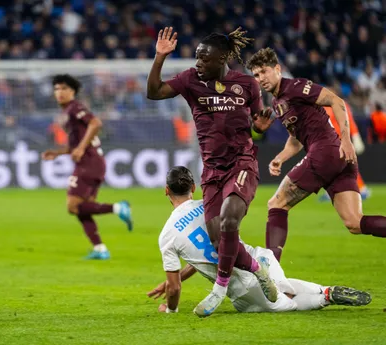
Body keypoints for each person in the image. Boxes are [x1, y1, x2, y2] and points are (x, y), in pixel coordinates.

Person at [147, 27, 278, 317]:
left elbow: (256, 126)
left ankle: (218, 290)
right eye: (197, 58)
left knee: (230, 219)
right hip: (212, 171)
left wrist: (259, 130)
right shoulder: (191, 80)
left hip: (242, 163)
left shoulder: (246, 84)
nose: (198, 64)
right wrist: (159, 57)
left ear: (222, 58)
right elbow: (154, 92)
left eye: (204, 59)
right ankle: (258, 268)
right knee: (219, 240)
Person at [147, 166, 371, 314]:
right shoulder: (209, 206)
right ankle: (325, 290)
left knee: (290, 304)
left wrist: (170, 309)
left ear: (166, 191)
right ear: (193, 188)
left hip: (242, 287)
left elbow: (174, 289)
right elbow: (215, 249)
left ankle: (325, 298)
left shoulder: (167, 235)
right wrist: (175, 280)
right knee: (284, 285)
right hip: (258, 257)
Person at [246, 48, 386, 262]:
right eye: (256, 75)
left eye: (264, 72)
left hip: (326, 151)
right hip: (336, 157)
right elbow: (296, 139)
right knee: (355, 223)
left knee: (276, 204)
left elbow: (336, 101)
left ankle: (270, 271)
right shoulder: (277, 102)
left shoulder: (295, 87)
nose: (261, 78)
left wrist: (346, 139)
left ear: (277, 69)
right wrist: (281, 158)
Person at [41, 74, 133, 260]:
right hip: (94, 162)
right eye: (57, 89)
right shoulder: (68, 112)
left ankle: (118, 208)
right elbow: (76, 145)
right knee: (83, 207)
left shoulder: (75, 107)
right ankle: (100, 249)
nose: (60, 92)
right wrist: (57, 153)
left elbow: (96, 123)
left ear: (73, 91)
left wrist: (82, 148)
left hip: (89, 163)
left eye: (64, 89)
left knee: (72, 206)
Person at [320, 100, 371, 201]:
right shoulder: (321, 105)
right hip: (328, 141)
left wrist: (356, 136)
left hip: (340, 141)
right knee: (332, 167)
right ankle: (332, 191)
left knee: (344, 165)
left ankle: (362, 189)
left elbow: (349, 120)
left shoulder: (339, 103)